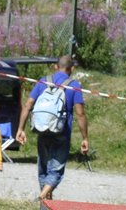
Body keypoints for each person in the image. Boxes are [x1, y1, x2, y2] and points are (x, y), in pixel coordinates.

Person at [15, 53, 89, 201]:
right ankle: (42, 197)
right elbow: (80, 114)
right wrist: (85, 138)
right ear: (71, 68)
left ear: (56, 66)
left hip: (42, 129)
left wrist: (20, 129)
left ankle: (46, 201)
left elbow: (28, 105)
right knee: (56, 169)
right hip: (62, 132)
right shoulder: (74, 85)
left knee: (43, 167)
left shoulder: (43, 81)